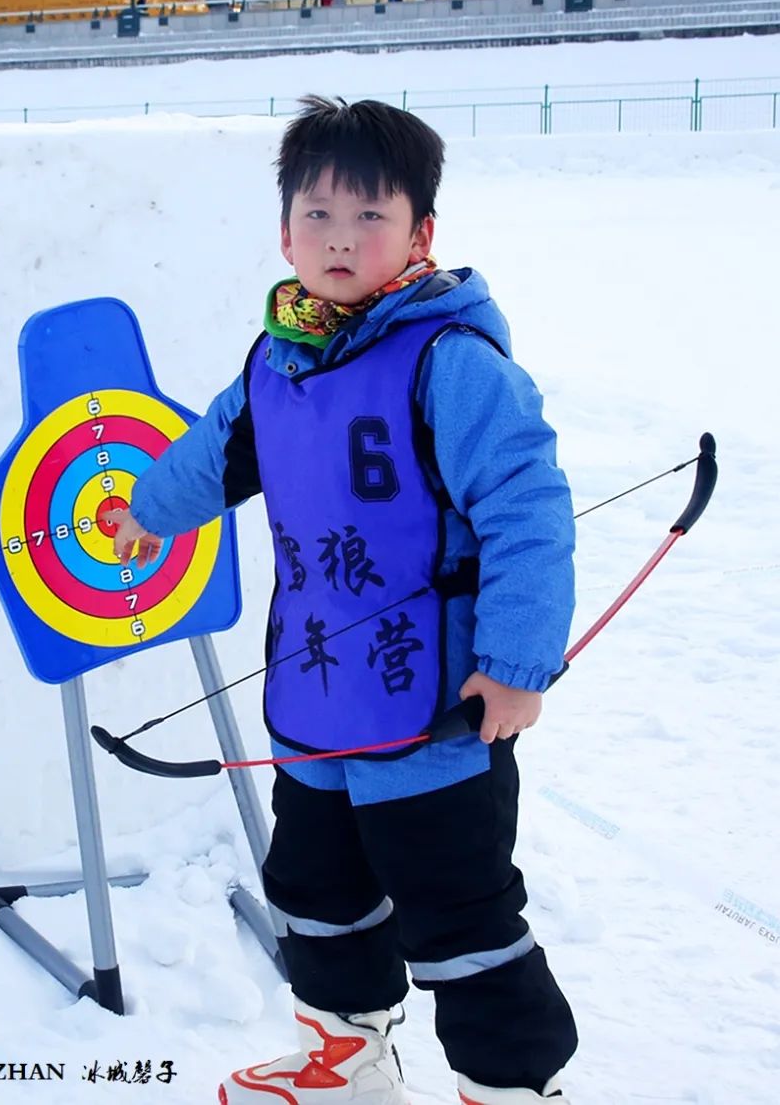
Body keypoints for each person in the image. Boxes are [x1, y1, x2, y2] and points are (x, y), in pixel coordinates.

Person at [107, 96, 577, 1105]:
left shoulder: (452, 363)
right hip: (318, 692)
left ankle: (512, 1087)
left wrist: (517, 663)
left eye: (370, 216)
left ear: (420, 234)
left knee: (457, 913)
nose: (339, 238)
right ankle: (345, 1059)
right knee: (315, 890)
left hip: (436, 713)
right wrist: (149, 510)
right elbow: (216, 452)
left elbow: (529, 511)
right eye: (317, 214)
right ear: (286, 234)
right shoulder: (279, 361)